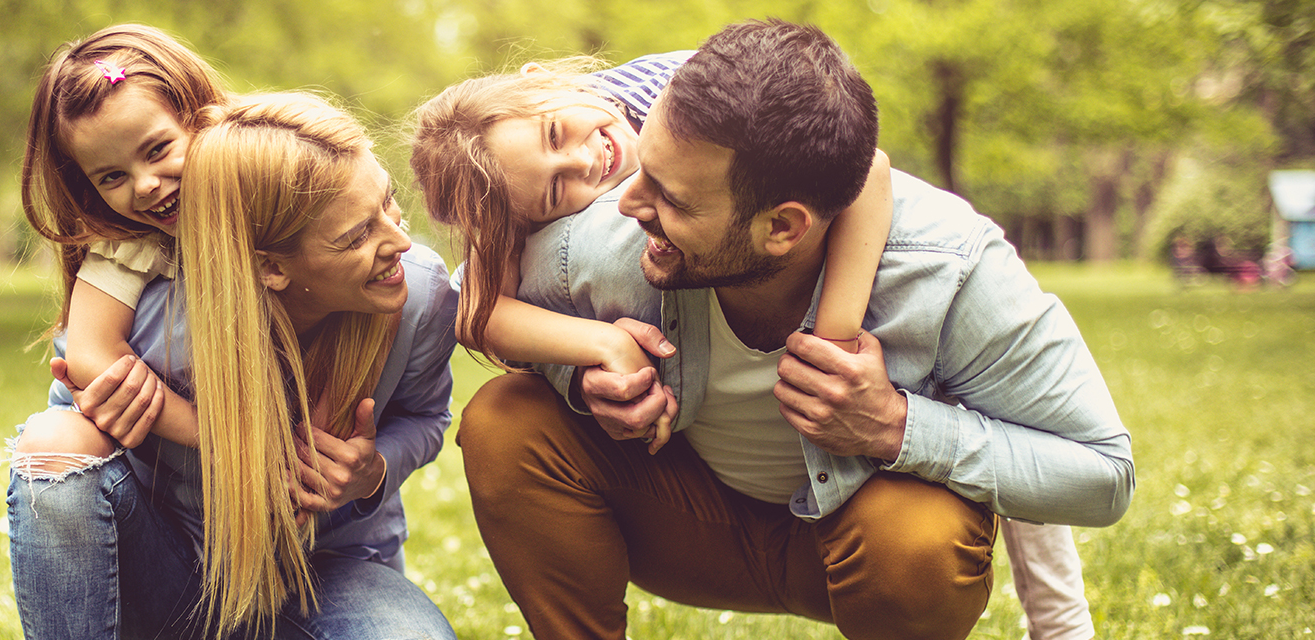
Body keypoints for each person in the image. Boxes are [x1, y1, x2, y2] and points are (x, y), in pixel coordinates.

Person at [453, 19, 1132, 640]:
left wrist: (896, 425)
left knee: (918, 540)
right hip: (693, 523)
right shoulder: (611, 228)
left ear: (783, 227)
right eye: (643, 175)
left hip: (860, 540)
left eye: (671, 198)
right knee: (505, 420)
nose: (625, 202)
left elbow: (1103, 475)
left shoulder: (947, 268)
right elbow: (472, 304)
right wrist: (590, 367)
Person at [7, 90, 459, 639]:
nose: (401, 241)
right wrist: (100, 408)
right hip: (172, 566)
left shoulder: (419, 293)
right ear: (271, 267)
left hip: (325, 571)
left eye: (386, 204)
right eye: (357, 236)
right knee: (54, 439)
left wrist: (373, 470)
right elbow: (64, 445)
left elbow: (426, 416)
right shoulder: (152, 315)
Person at [410, 51, 891, 455]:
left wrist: (834, 344)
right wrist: (605, 344)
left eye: (555, 132)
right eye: (556, 190)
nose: (583, 160)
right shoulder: (513, 184)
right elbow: (480, 314)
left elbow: (868, 168)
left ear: (545, 81)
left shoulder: (682, 91)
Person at [17, 23, 221, 456]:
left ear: (202, 118)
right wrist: (210, 434)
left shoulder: (263, 202)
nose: (145, 185)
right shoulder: (128, 243)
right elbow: (90, 355)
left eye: (157, 150)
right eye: (112, 176)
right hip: (110, 462)